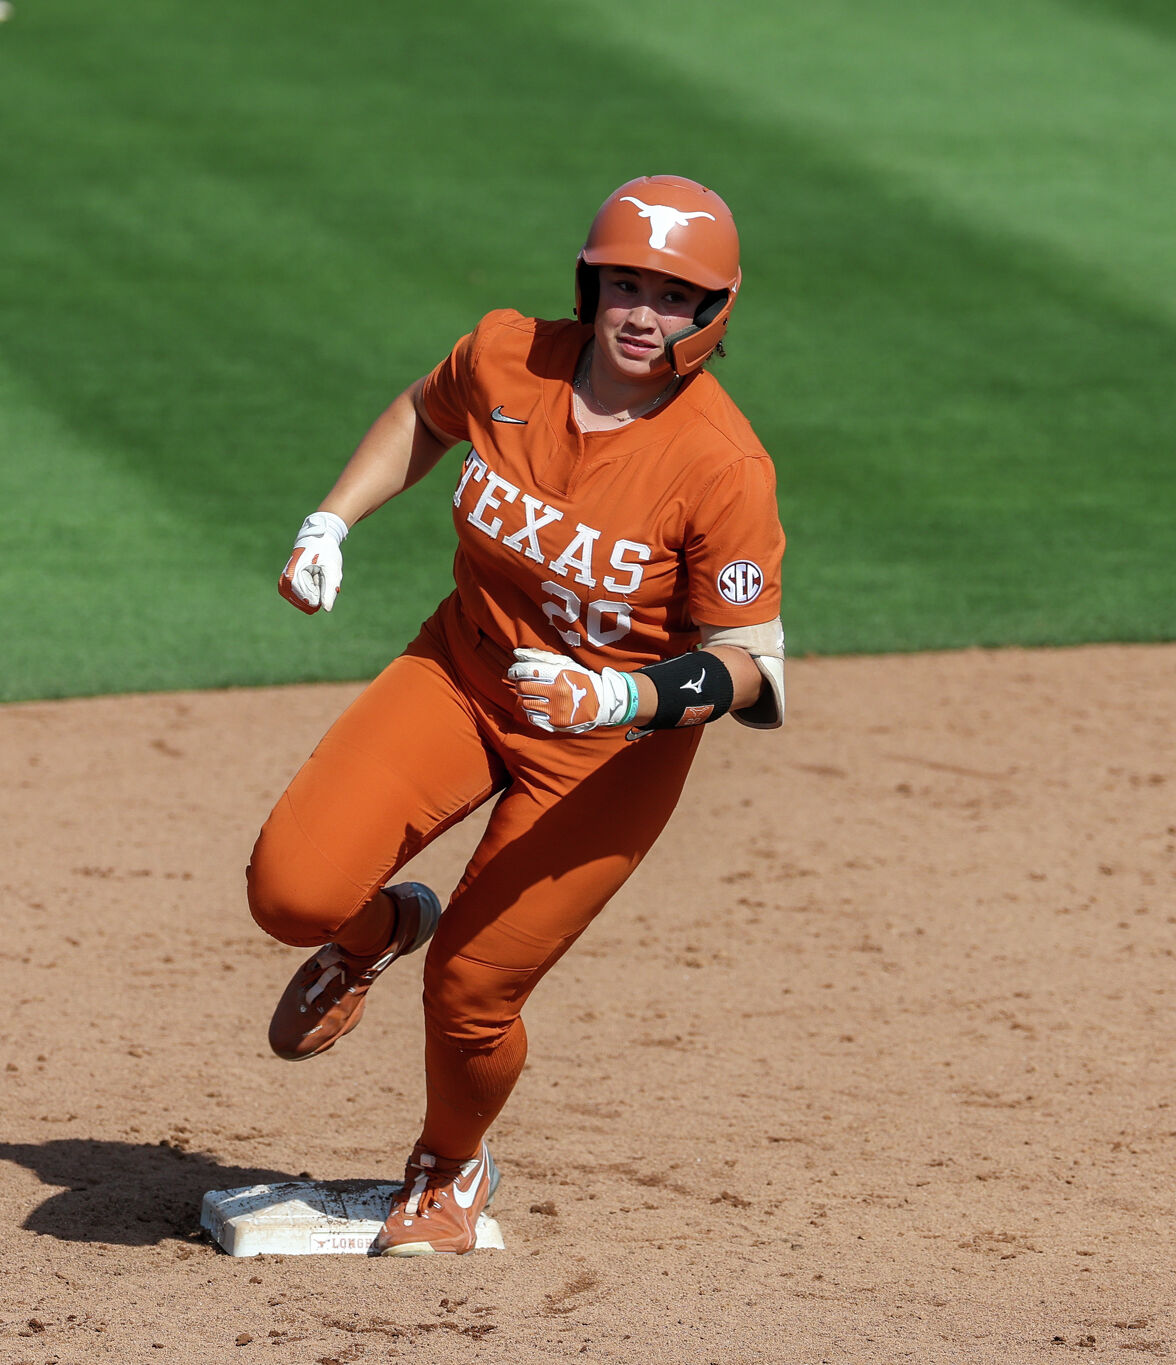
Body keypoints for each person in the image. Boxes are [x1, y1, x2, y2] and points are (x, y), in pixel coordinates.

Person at [245, 175, 787, 1256]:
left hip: (608, 747)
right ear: (589, 284)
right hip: (463, 671)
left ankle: (448, 1168)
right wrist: (330, 520)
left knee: (470, 992)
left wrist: (621, 694)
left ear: (712, 315)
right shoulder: (507, 357)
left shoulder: (721, 465)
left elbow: (753, 667)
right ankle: (372, 931)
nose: (643, 313)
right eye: (624, 283)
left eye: (674, 296)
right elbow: (419, 413)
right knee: (290, 894)